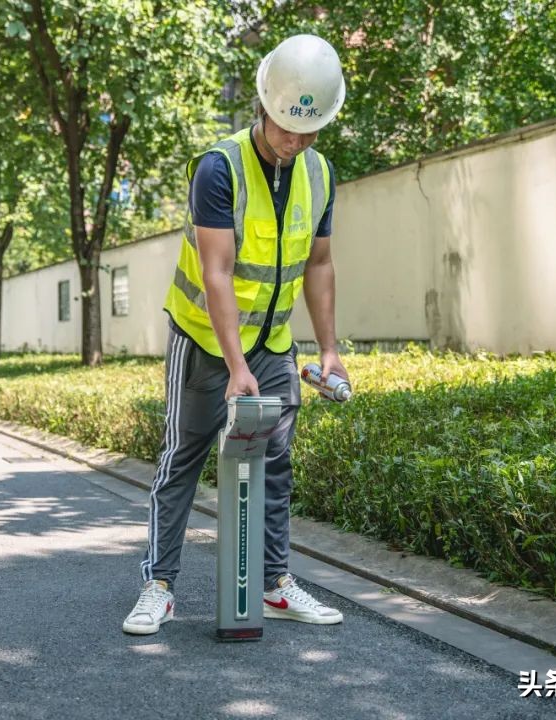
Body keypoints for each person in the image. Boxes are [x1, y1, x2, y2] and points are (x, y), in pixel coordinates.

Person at [123, 34, 349, 635]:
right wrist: (235, 366)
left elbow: (320, 264)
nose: (296, 141)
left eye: (308, 131)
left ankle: (274, 584)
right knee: (183, 457)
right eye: (286, 128)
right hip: (204, 341)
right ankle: (158, 586)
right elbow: (217, 272)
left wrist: (329, 349)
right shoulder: (218, 168)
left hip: (273, 344)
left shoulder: (319, 173)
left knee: (275, 462)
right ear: (264, 107)